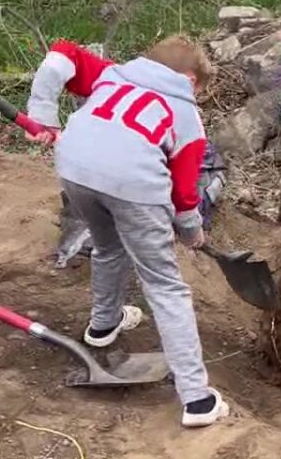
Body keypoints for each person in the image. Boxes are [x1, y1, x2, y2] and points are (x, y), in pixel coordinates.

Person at [25, 37, 228, 427]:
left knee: (108, 244)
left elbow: (60, 54)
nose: (197, 96)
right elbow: (184, 193)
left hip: (75, 172)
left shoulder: (112, 74)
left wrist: (43, 115)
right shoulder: (186, 116)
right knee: (165, 286)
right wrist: (191, 231)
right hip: (133, 187)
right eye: (198, 88)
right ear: (188, 78)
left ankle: (103, 325)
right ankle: (198, 400)